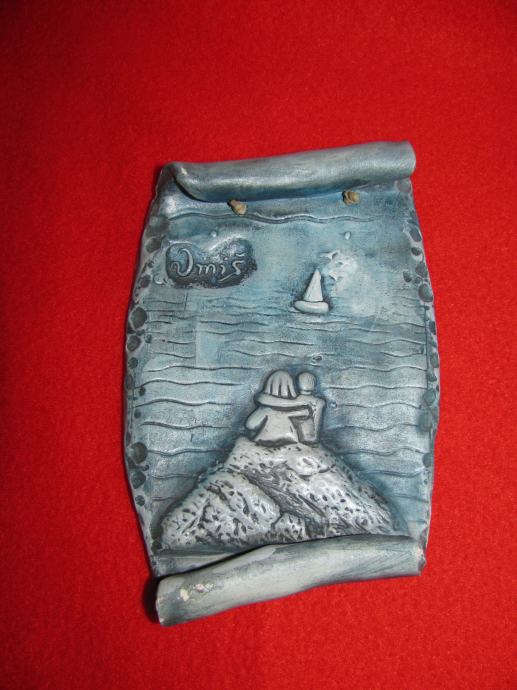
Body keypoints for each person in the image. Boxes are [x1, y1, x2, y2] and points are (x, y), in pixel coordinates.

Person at [245, 370, 310, 446]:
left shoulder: (265, 409)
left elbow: (250, 425)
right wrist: (296, 404)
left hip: (265, 442)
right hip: (291, 442)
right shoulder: (299, 405)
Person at [293, 371, 325, 444]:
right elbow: (317, 421)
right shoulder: (319, 402)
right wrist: (315, 437)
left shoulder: (293, 400)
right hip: (309, 436)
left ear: (298, 384)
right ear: (314, 384)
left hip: (295, 435)